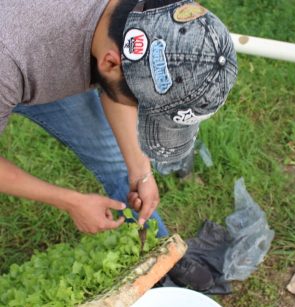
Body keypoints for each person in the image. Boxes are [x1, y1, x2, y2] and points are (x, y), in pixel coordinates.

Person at [0, 0, 238, 239]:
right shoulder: (9, 56)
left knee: (114, 158)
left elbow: (118, 81)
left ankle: (161, 256)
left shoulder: (144, 15)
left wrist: (141, 172)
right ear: (110, 62)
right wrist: (70, 201)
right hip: (17, 59)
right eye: (138, 104)